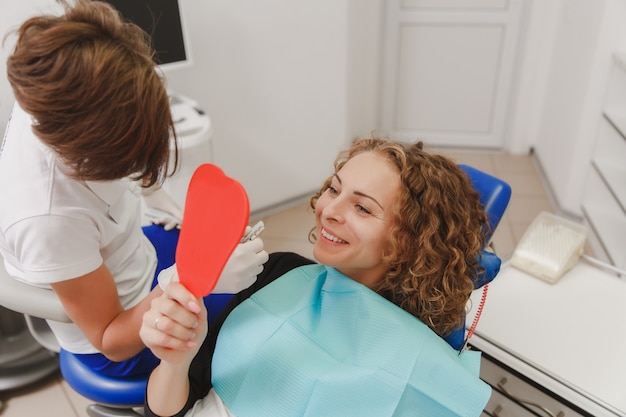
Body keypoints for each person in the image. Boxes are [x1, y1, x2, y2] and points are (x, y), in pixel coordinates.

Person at [0, 0, 268, 379]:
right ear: (94, 153)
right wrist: (193, 284)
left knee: (255, 274)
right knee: (252, 325)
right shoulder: (48, 220)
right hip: (125, 339)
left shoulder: (64, 74)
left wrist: (157, 202)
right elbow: (111, 337)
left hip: (137, 260)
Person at [140, 137, 493, 417]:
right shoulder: (276, 275)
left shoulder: (419, 362)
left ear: (407, 242)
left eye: (362, 207)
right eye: (334, 189)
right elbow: (170, 408)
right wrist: (176, 363)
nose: (329, 212)